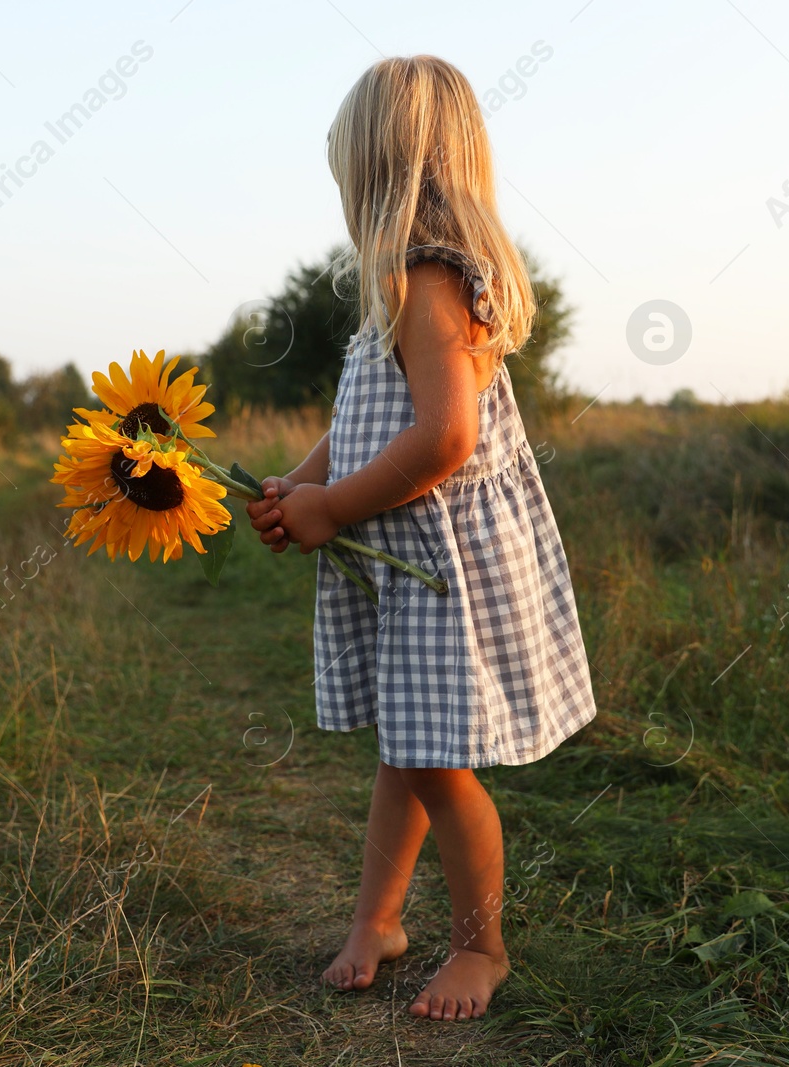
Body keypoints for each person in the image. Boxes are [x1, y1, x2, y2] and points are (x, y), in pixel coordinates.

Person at [246, 55, 597, 1023]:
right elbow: (370, 412)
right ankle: (381, 919)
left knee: (439, 760)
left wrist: (334, 510)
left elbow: (446, 436)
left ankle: (481, 942)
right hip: (410, 554)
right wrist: (304, 483)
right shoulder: (402, 291)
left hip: (439, 564)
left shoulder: (431, 282)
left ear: (379, 173)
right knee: (406, 746)